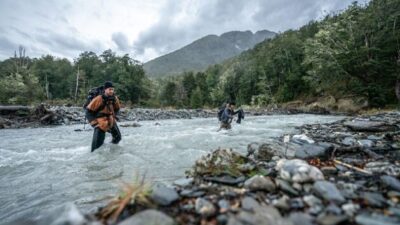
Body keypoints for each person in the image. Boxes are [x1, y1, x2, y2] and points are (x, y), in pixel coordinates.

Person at [86, 81, 121, 152]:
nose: (111, 91)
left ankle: (111, 150)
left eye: (112, 89)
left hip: (111, 121)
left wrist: (114, 116)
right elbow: (88, 111)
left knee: (118, 138)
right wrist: (95, 124)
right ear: (105, 89)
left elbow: (117, 109)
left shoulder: (115, 98)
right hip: (100, 123)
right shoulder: (98, 99)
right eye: (109, 89)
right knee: (96, 148)